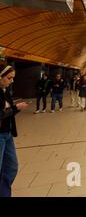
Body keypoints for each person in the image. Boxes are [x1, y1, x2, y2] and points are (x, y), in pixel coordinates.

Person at [0, 62, 29, 197]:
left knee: (11, 166)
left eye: (13, 78)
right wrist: (15, 108)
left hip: (8, 133)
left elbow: (8, 112)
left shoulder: (6, 92)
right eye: (9, 78)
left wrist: (16, 108)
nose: (11, 81)